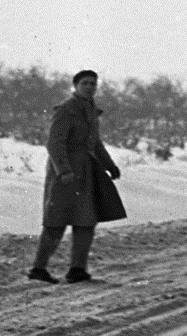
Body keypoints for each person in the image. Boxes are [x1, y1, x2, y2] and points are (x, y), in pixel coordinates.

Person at [28, 70, 126, 284]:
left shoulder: (90, 111)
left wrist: (110, 166)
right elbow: (55, 143)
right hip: (65, 175)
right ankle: (38, 269)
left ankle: (77, 270)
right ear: (75, 86)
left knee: (85, 222)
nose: (90, 87)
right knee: (56, 222)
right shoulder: (66, 110)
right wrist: (63, 170)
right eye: (85, 83)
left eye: (93, 83)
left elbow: (96, 143)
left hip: (87, 173)